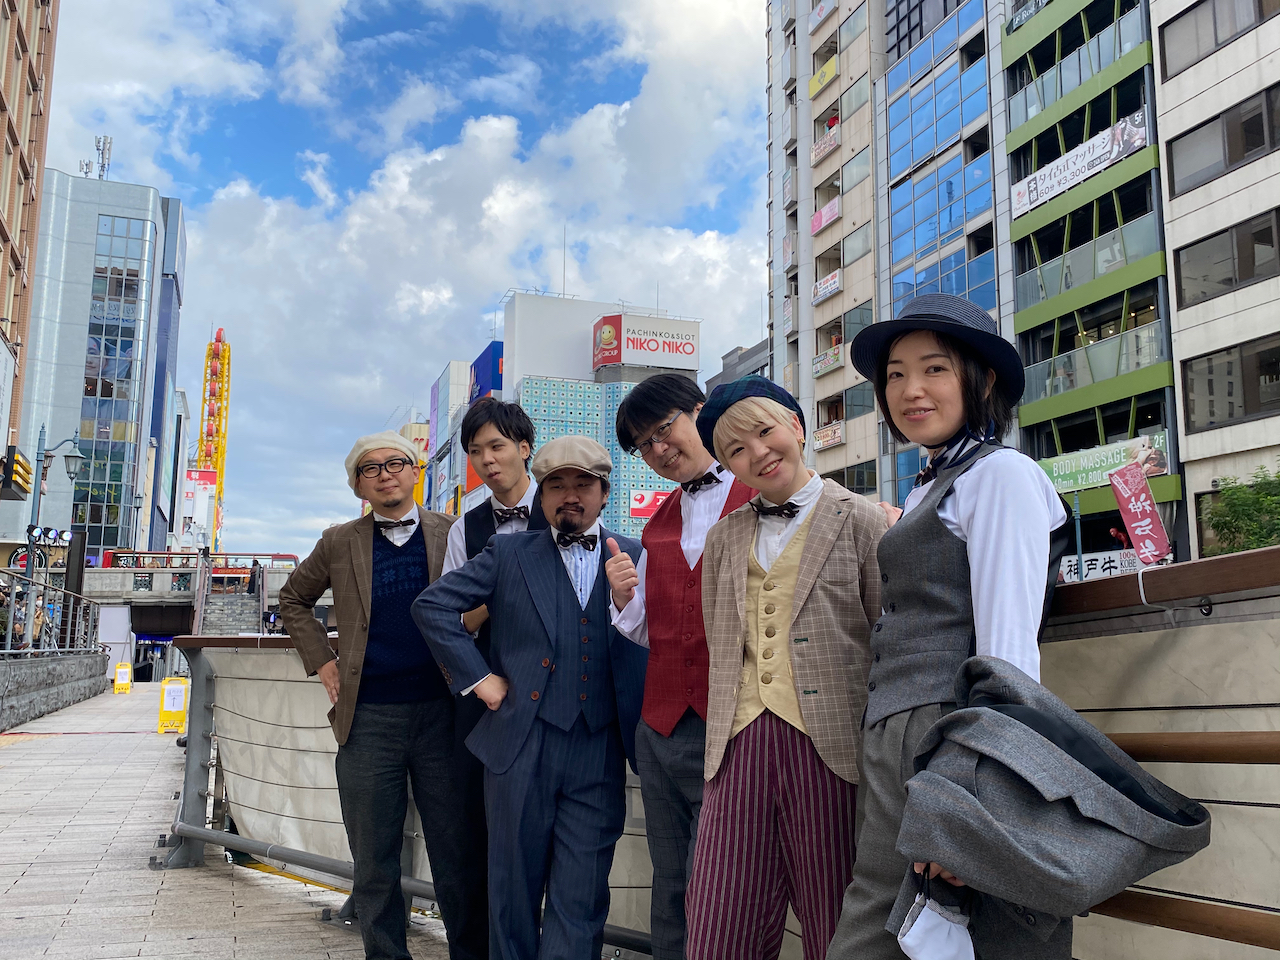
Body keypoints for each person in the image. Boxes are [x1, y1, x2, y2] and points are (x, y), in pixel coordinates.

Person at [827, 293, 1070, 959]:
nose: (910, 390)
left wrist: (971, 792)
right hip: (902, 729)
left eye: (934, 368)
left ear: (982, 381)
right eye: (895, 374)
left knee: (883, 923)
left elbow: (1008, 653)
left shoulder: (1001, 475)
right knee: (903, 918)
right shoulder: (933, 484)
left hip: (943, 730)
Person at [413, 436, 648, 960]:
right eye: (557, 485)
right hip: (519, 745)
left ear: (604, 493)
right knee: (512, 891)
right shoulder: (509, 552)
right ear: (542, 496)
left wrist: (626, 603)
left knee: (583, 894)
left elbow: (654, 643)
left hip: (600, 748)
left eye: (583, 484)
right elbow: (432, 607)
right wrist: (479, 678)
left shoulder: (633, 553)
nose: (570, 495)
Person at [684, 376, 886, 960]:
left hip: (833, 750)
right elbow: (721, 640)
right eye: (735, 450)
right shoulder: (723, 539)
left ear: (797, 426)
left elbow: (886, 639)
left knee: (839, 926)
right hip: (736, 747)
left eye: (764, 431)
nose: (757, 453)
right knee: (719, 926)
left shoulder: (864, 520)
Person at [279, 431, 487, 960]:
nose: (385, 474)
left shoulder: (453, 532)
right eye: (370, 469)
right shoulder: (338, 541)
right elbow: (293, 599)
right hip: (367, 718)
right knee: (373, 860)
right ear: (358, 486)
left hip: (446, 714)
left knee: (458, 854)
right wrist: (322, 661)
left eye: (396, 463)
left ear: (416, 471)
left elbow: (489, 594)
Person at [604, 373, 755, 960]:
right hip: (661, 728)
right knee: (669, 884)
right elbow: (655, 628)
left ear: (700, 412)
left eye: (664, 430)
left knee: (720, 885)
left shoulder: (763, 496)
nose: (659, 449)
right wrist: (624, 598)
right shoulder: (657, 522)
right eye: (644, 445)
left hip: (734, 726)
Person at [441, 396, 550, 929]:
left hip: (554, 693)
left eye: (497, 446)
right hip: (488, 695)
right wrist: (502, 590)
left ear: (525, 448)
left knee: (550, 833)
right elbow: (451, 620)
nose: (487, 460)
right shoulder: (466, 528)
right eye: (475, 451)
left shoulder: (564, 508)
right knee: (476, 829)